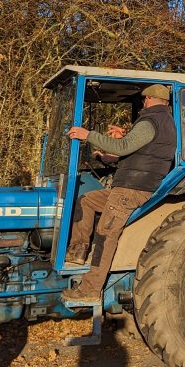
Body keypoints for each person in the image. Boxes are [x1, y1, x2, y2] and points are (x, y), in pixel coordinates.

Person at [61, 83, 176, 302]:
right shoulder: (164, 122)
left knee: (105, 235)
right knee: (87, 200)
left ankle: (90, 291)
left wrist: (88, 135)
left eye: (143, 100)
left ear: (148, 100)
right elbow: (140, 154)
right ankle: (77, 252)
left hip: (130, 190)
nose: (143, 103)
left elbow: (123, 147)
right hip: (129, 187)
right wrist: (108, 158)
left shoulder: (150, 120)